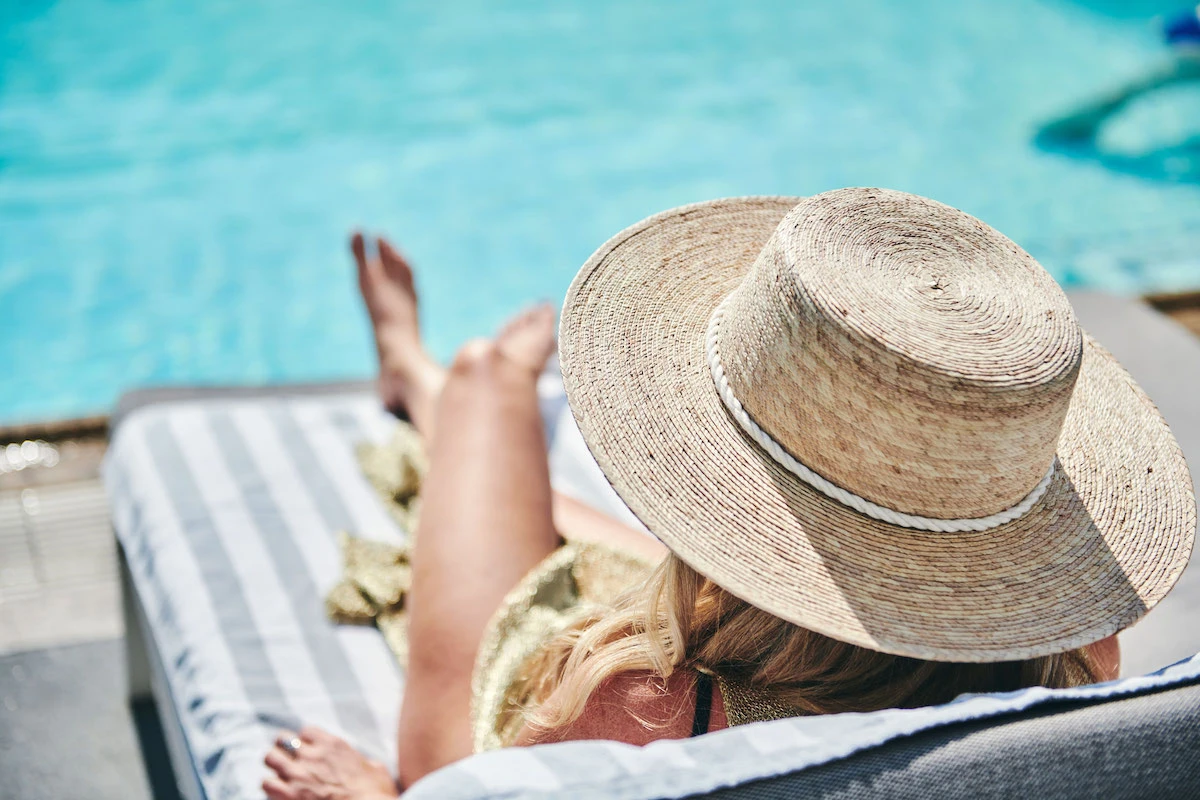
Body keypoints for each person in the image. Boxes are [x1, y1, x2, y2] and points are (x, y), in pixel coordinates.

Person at [262, 189, 1192, 800]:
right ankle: (450, 404)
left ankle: (439, 380)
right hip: (774, 637)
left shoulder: (636, 708)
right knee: (539, 511)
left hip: (534, 698)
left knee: (483, 382)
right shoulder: (1074, 675)